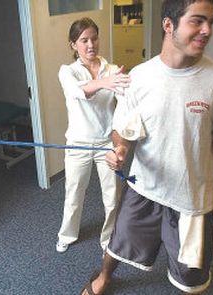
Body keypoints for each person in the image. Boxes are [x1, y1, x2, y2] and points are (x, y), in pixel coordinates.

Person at [81, 0, 213, 294]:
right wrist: (121, 150)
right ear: (169, 25)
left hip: (192, 198)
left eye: (211, 22)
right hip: (145, 187)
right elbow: (123, 130)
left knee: (192, 278)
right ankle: (104, 278)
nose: (207, 31)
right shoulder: (140, 76)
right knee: (119, 244)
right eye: (197, 21)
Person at [56, 17, 131, 253]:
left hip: (106, 144)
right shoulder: (68, 72)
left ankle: (108, 240)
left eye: (94, 38)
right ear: (73, 45)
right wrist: (105, 82)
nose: (91, 44)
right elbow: (80, 93)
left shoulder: (112, 70)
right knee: (74, 194)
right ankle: (67, 235)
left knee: (112, 198)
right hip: (77, 144)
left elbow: (125, 106)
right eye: (84, 40)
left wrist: (124, 88)